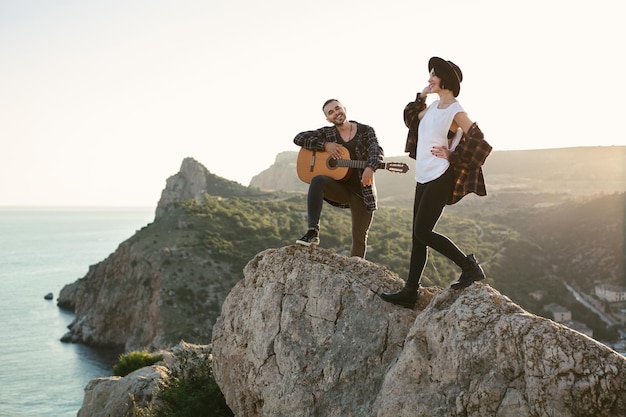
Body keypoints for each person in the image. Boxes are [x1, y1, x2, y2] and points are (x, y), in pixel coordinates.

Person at [380, 57, 492, 308]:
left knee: (422, 231)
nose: (429, 79)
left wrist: (453, 156)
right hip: (423, 175)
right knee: (417, 237)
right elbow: (410, 118)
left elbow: (481, 143)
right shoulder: (431, 108)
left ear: (446, 79)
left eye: (433, 75)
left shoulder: (456, 110)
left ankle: (469, 266)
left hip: (441, 175)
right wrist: (422, 95)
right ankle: (410, 291)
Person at [293, 99, 384, 258]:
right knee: (317, 180)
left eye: (337, 108)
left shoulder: (365, 130)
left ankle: (354, 273)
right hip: (340, 188)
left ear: (344, 109)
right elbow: (299, 138)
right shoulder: (327, 134)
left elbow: (377, 150)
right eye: (331, 112)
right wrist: (324, 145)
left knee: (359, 239)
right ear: (328, 119)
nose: (336, 113)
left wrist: (370, 167)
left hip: (362, 191)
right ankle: (312, 231)